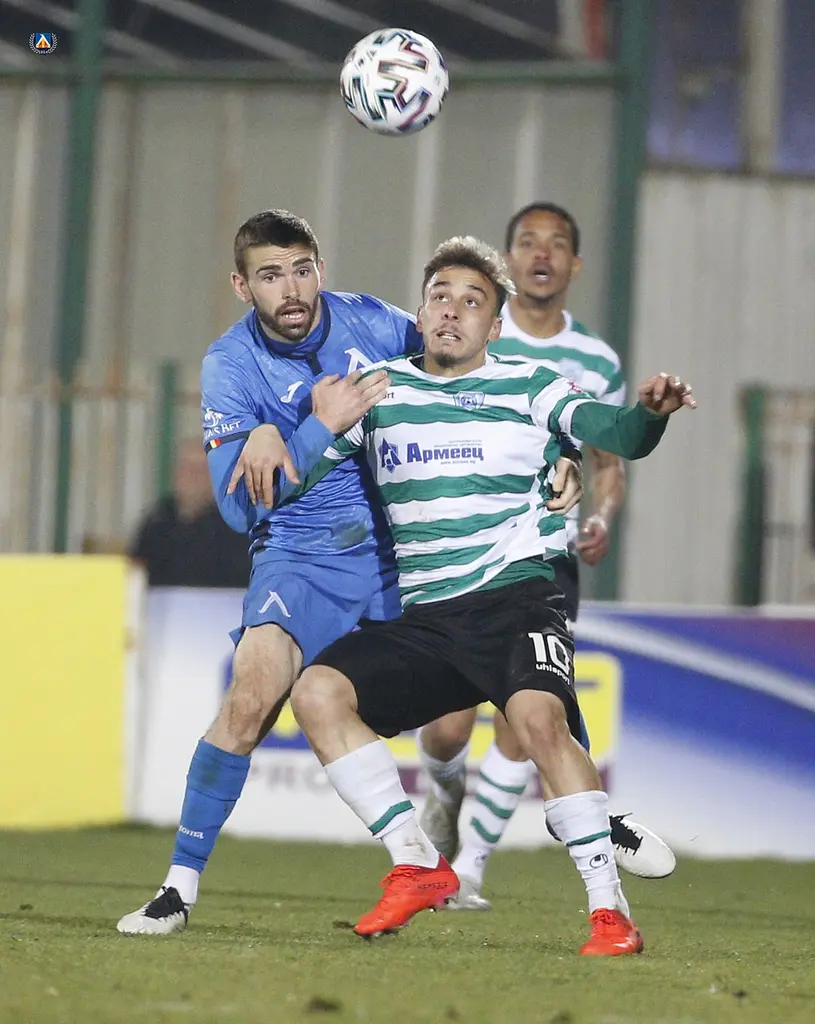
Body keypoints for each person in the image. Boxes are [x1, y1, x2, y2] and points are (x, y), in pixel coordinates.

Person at [116, 209, 583, 936]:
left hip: (403, 551)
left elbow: (475, 376)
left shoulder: (377, 323)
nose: (291, 289)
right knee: (250, 700)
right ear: (242, 286)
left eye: (302, 270)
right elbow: (238, 511)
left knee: (454, 728)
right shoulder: (230, 365)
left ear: (321, 271)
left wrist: (560, 450)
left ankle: (457, 794)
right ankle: (178, 889)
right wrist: (307, 427)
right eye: (271, 276)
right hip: (301, 556)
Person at [280, 236, 695, 954]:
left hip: (516, 597)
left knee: (537, 722)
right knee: (318, 693)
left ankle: (610, 913)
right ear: (420, 313)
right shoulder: (376, 392)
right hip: (428, 617)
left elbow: (618, 434)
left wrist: (650, 413)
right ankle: (417, 862)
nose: (452, 310)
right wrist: (311, 426)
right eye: (439, 296)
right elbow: (295, 483)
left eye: (472, 302)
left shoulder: (531, 386)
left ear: (494, 327)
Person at [416, 203, 675, 910]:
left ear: (574, 265)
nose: (541, 253)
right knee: (445, 725)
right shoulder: (464, 332)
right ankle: (444, 794)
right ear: (508, 259)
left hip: (542, 558)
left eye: (556, 244)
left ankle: (469, 868)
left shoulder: (594, 359)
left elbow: (608, 457)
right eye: (527, 242)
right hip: (460, 551)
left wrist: (601, 516)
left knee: (525, 714)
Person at [130, 438, 250, 588]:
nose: (192, 477)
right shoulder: (157, 521)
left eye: (200, 470)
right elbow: (136, 570)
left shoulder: (234, 526)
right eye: (186, 468)